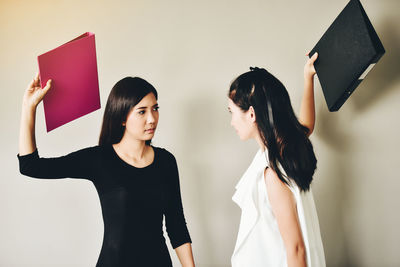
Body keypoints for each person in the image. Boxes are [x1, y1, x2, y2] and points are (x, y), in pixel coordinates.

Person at [18, 75, 195, 267]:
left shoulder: (166, 161)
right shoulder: (100, 159)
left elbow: (176, 227)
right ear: (122, 118)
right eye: (142, 112)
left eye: (155, 109)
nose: (152, 119)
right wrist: (29, 108)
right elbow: (30, 166)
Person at [228, 53, 326, 267]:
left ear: (251, 114)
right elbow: (307, 125)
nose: (232, 121)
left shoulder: (272, 172)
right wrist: (307, 77)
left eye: (232, 112)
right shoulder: (286, 147)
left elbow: (296, 249)